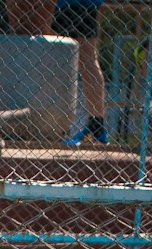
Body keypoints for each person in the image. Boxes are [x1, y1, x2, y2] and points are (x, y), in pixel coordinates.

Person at [57, 0, 110, 145]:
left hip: (72, 5)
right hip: (77, 5)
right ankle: (96, 126)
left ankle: (96, 126)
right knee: (85, 61)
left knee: (85, 60)